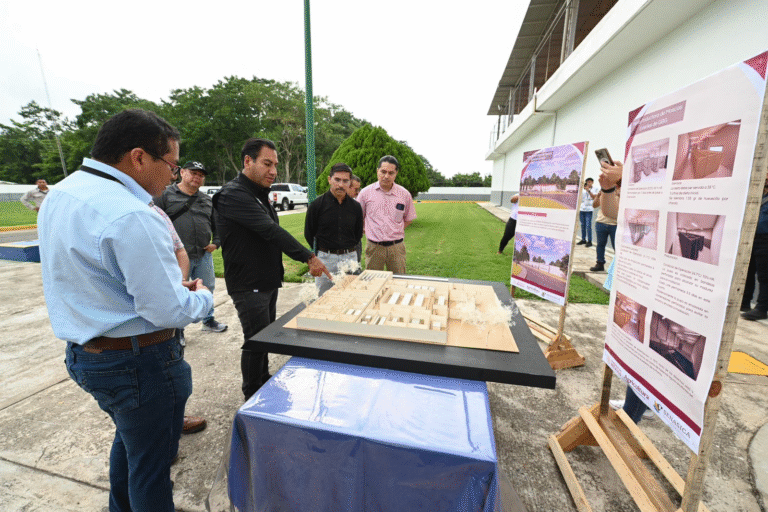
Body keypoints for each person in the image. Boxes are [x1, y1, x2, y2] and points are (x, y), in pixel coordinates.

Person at [37, 109, 213, 512]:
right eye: (171, 164)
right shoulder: (132, 213)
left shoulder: (61, 194)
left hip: (88, 353)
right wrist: (200, 298)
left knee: (132, 445)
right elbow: (167, 309)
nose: (173, 175)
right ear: (138, 157)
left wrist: (165, 291)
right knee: (151, 466)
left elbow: (96, 276)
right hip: (139, 361)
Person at [213, 138, 331, 400]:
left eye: (275, 165)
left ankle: (264, 381)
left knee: (265, 337)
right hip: (248, 282)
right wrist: (308, 257)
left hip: (266, 279)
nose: (273, 171)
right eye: (267, 163)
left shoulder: (258, 195)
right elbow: (270, 231)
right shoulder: (233, 195)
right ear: (248, 161)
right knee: (255, 341)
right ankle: (253, 395)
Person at [154, 160, 227, 333]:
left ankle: (208, 321)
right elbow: (154, 223)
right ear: (182, 173)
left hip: (202, 254)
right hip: (176, 257)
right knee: (177, 291)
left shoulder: (206, 199)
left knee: (207, 286)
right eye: (193, 173)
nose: (197, 177)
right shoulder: (165, 195)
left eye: (201, 175)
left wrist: (216, 243)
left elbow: (217, 224)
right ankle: (178, 330)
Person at [305, 163, 363, 295]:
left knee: (350, 297)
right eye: (337, 180)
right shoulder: (316, 205)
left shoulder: (356, 207)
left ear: (350, 182)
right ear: (329, 179)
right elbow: (309, 233)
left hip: (350, 258)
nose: (341, 185)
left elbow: (358, 233)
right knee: (324, 298)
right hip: (325, 259)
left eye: (345, 181)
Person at [356, 155, 416, 273]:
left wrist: (394, 229)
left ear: (396, 173)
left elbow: (409, 218)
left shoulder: (404, 194)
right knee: (373, 281)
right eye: (383, 171)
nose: (386, 176)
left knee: (399, 281)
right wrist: (368, 229)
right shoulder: (365, 193)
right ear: (377, 171)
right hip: (374, 247)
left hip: (397, 247)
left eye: (391, 173)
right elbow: (358, 217)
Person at [741, 175, 768, 320]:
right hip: (752, 237)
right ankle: (744, 302)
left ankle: (762, 308)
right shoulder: (758, 195)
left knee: (764, 275)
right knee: (747, 270)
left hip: (765, 238)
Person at [590, 161, 622, 272]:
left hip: (615, 225)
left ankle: (618, 268)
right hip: (601, 222)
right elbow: (594, 205)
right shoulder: (604, 189)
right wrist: (599, 196)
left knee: (617, 248)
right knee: (600, 245)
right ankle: (600, 263)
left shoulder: (623, 191)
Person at [577, 178, 599, 247]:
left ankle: (589, 241)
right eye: (588, 182)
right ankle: (583, 240)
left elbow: (594, 197)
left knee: (588, 226)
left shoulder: (595, 189)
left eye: (590, 182)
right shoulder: (583, 190)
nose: (589, 183)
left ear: (592, 182)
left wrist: (588, 190)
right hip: (582, 209)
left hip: (589, 210)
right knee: (582, 225)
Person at [348, 174, 363, 262]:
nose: (358, 193)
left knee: (355, 272)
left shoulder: (356, 206)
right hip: (335, 252)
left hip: (355, 247)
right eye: (356, 189)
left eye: (359, 189)